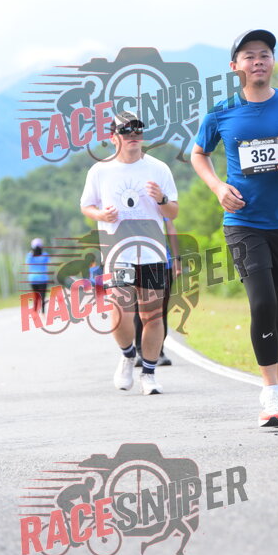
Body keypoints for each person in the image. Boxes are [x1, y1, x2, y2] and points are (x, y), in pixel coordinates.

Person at [191, 29, 278, 427]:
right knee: (262, 302)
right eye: (249, 56)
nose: (258, 61)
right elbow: (199, 154)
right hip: (243, 222)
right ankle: (270, 395)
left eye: (264, 54)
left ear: (273, 61)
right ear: (236, 66)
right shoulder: (221, 111)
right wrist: (218, 187)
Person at [80, 111, 178, 395]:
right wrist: (101, 215)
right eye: (126, 131)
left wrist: (161, 198)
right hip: (117, 253)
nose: (133, 135)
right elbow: (86, 205)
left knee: (152, 317)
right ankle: (127, 355)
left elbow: (173, 211)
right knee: (120, 313)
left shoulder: (158, 168)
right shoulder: (100, 171)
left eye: (138, 130)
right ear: (113, 137)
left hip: (152, 254)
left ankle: (149, 373)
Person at [135, 217, 183, 367]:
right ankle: (140, 352)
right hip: (134, 262)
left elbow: (170, 228)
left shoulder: (158, 204)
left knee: (160, 310)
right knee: (138, 308)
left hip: (162, 262)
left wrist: (177, 259)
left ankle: (158, 352)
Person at [26, 238, 50, 314]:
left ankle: (35, 312)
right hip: (43, 278)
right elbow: (47, 262)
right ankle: (43, 312)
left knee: (35, 296)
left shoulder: (30, 255)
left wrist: (32, 252)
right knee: (42, 296)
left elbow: (27, 262)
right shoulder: (45, 255)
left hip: (33, 279)